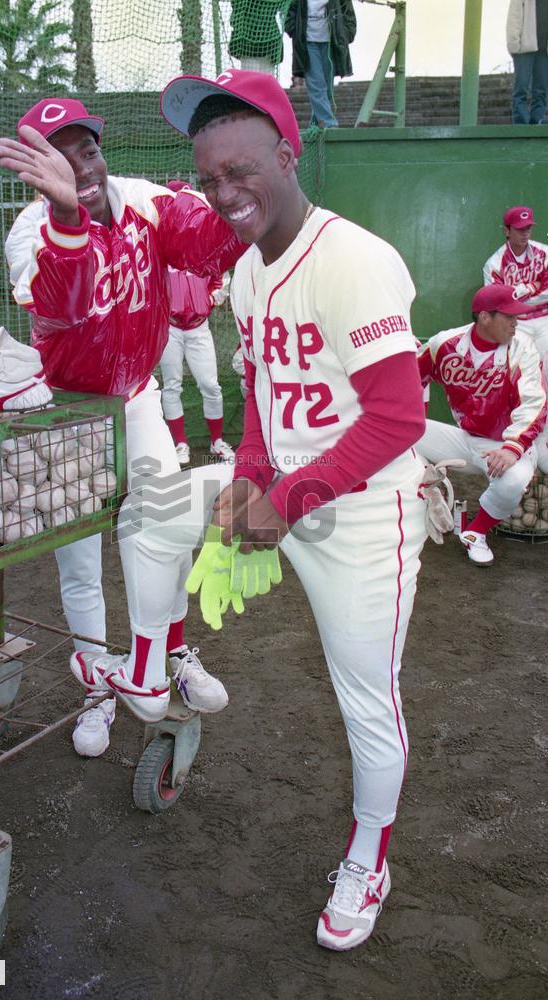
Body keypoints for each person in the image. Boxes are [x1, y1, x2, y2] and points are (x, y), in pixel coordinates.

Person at [99, 67, 430, 951]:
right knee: (154, 509)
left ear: (287, 154)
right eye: (207, 178)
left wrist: (283, 501)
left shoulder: (354, 258)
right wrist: (248, 476)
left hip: (362, 514)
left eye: (240, 170)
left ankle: (369, 854)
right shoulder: (247, 273)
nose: (223, 192)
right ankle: (147, 666)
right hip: (281, 489)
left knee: (366, 698)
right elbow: (259, 395)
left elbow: (399, 419)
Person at [0, 98, 245, 757]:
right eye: (60, 152)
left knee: (163, 523)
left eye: (88, 148)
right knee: (80, 563)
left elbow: (215, 242)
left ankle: (169, 655)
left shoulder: (142, 199)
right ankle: (98, 690)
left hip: (134, 397)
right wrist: (68, 220)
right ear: (34, 168)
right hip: (65, 412)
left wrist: (243, 193)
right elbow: (63, 308)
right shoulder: (30, 231)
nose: (80, 164)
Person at [417, 284, 546, 566]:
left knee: (513, 482)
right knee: (402, 430)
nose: (516, 322)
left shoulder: (522, 347)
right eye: (509, 317)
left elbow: (535, 403)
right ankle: (424, 492)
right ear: (485, 317)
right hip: (465, 439)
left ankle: (474, 532)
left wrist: (513, 448)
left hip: (508, 444)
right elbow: (410, 379)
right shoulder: (445, 344)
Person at [160, 181, 234, 466]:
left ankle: (217, 441)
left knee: (210, 385)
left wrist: (209, 299)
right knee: (172, 385)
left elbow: (220, 278)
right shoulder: (158, 242)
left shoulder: (202, 242)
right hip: (170, 327)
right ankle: (180, 444)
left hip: (198, 327)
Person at [483, 204, 548, 471]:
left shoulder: (544, 253)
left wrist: (518, 292)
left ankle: (544, 436)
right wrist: (534, 288)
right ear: (507, 230)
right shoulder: (494, 264)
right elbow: (497, 301)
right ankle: (520, 432)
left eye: (528, 228)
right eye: (520, 229)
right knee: (521, 375)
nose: (525, 233)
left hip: (544, 320)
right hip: (515, 323)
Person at [285, 0, 356, 128]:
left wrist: (346, 35)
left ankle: (316, 122)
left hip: (331, 43)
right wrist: (294, 31)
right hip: (307, 43)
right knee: (317, 85)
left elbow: (348, 13)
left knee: (327, 89)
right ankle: (329, 123)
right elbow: (289, 12)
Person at [507, 0, 548, 124]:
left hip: (544, 50)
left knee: (541, 90)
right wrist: (514, 44)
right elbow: (514, 17)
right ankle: (520, 123)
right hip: (524, 48)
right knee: (521, 88)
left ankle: (537, 120)